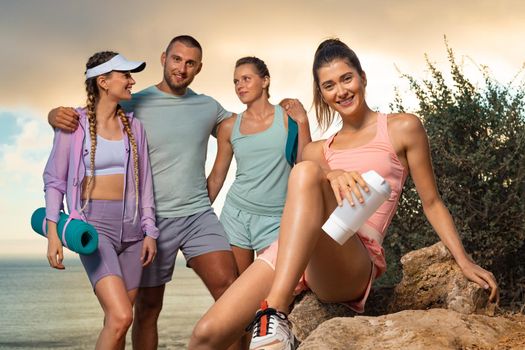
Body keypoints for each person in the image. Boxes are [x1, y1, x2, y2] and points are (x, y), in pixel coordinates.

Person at [188, 38, 499, 350]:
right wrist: (330, 173)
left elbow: (431, 202)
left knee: (306, 172)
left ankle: (275, 312)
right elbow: (300, 199)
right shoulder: (317, 150)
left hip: (351, 256)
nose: (341, 91)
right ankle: (274, 318)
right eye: (329, 85)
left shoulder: (402, 128)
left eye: (346, 78)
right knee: (205, 335)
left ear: (362, 77)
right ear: (321, 94)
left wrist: (464, 260)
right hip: (293, 253)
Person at [48, 36, 239, 350]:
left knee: (232, 293)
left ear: (199, 68)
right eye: (176, 59)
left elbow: (242, 128)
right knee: (139, 312)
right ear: (164, 58)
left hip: (177, 220)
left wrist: (280, 111)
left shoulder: (205, 107)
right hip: (132, 222)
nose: (182, 68)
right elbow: (87, 118)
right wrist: (54, 115)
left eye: (190, 63)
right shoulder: (134, 102)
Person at [43, 51, 158, 349]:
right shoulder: (73, 124)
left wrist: (149, 232)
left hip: (133, 233)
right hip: (94, 229)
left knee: (115, 321)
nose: (132, 81)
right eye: (126, 76)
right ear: (104, 81)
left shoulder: (135, 128)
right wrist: (53, 233)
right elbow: (55, 180)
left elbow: (145, 183)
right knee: (121, 317)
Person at [207, 56, 311, 276]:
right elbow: (217, 177)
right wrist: (195, 217)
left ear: (265, 81)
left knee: (271, 289)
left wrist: (302, 122)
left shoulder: (288, 118)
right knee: (237, 290)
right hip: (235, 215)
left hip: (276, 219)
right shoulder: (229, 127)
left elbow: (304, 165)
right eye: (236, 81)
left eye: (246, 78)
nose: (240, 86)